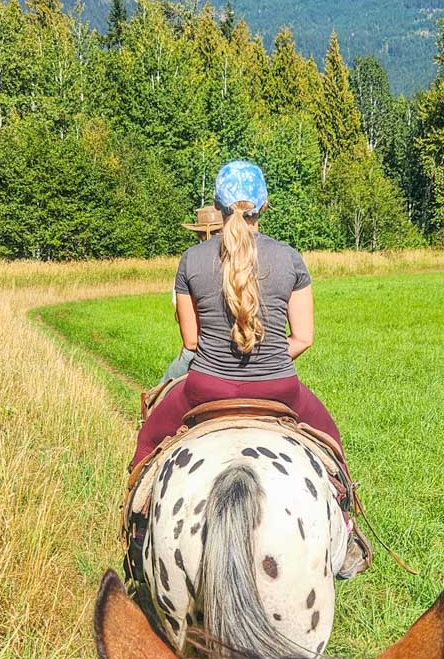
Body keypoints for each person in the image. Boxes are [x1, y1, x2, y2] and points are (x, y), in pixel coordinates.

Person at [131, 160, 342, 470]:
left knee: (148, 441)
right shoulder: (290, 258)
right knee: (332, 444)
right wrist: (266, 360)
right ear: (265, 204)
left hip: (205, 388)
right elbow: (303, 337)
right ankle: (347, 514)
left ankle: (135, 512)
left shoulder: (191, 260)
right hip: (279, 388)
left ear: (217, 205)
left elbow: (191, 342)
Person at [158, 204, 223, 385]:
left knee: (157, 398)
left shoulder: (190, 261)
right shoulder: (247, 256)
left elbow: (191, 341)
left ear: (199, 234)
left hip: (201, 350)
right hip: (247, 351)